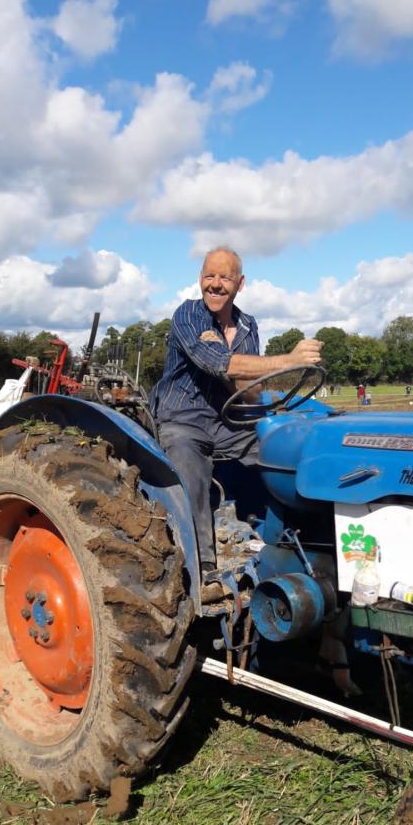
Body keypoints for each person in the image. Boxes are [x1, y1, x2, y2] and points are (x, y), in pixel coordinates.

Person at [153, 246, 322, 583]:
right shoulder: (188, 315)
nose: (215, 284)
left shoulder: (247, 325)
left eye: (225, 277)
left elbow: (245, 386)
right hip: (182, 419)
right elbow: (218, 363)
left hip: (226, 421)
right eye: (209, 276)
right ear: (200, 279)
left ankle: (290, 540)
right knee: (188, 465)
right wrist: (288, 360)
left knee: (277, 451)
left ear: (240, 283)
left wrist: (270, 412)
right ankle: (200, 569)